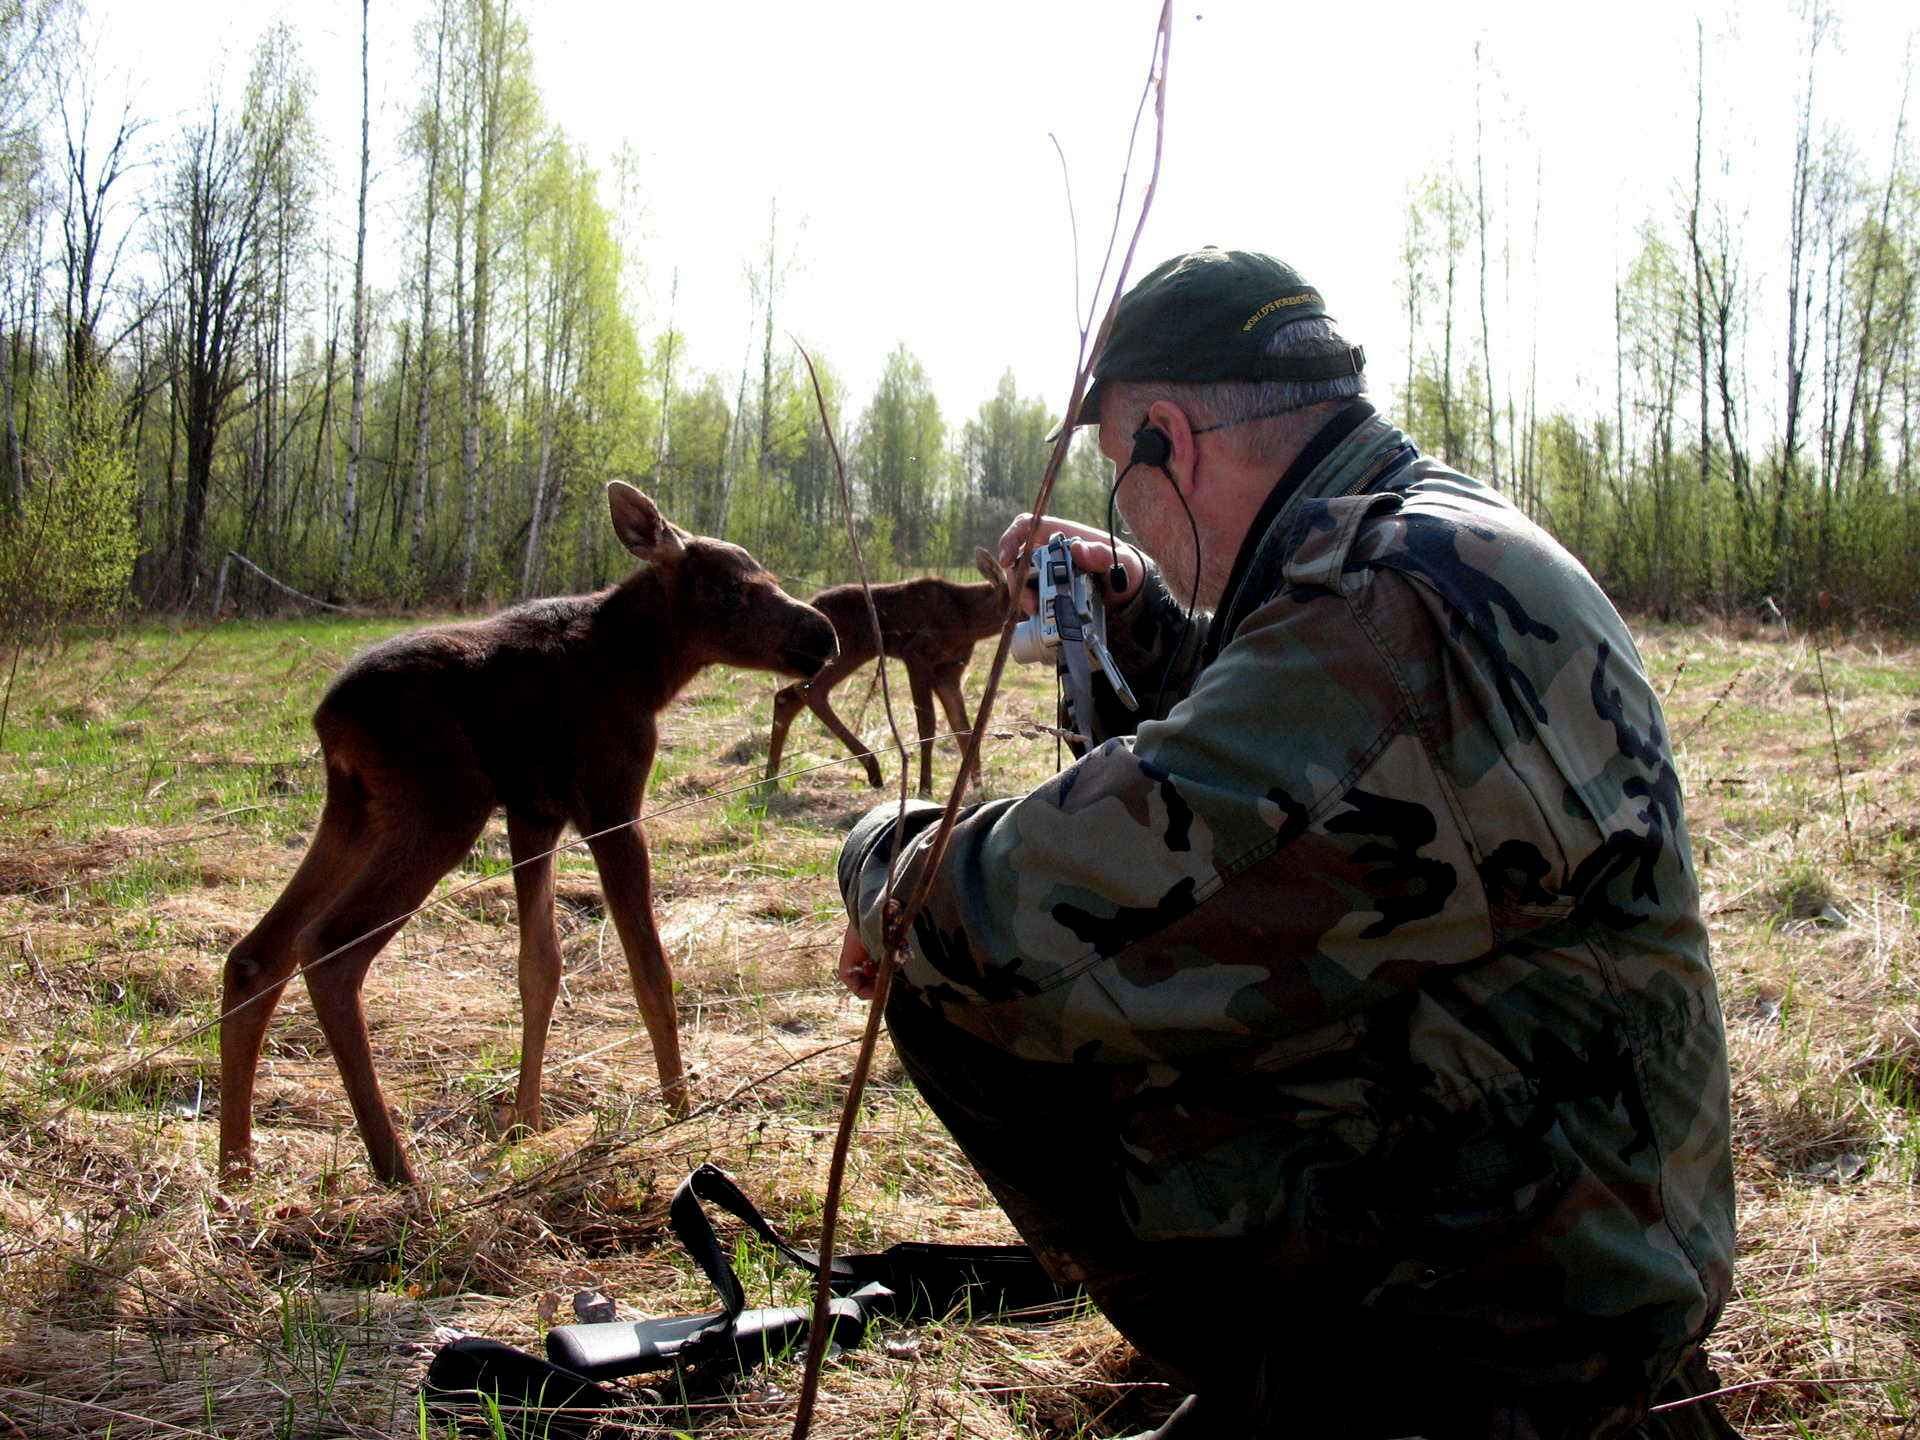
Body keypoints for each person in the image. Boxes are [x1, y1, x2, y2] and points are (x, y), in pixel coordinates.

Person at [833, 248, 1738, 1439]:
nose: (1127, 504)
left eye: (1119, 473)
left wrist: (878, 863)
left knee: (962, 976)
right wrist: (1146, 621)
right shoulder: (1419, 530)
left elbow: (1048, 912)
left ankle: (1350, 1391)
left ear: (1169, 438)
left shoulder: (1381, 612)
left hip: (1543, 1303)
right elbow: (1303, 736)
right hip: (1597, 1190)